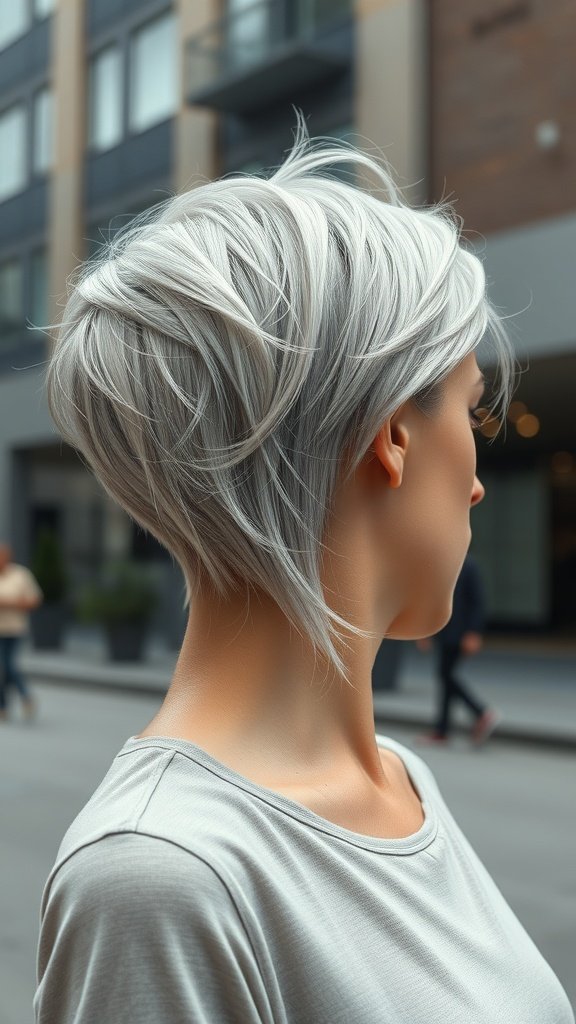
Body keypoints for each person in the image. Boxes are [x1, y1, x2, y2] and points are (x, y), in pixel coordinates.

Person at [33, 118, 575, 1023]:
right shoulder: (159, 876)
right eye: (472, 419)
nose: (480, 484)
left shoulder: (399, 780)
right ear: (393, 433)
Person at [414, 551, 501, 747]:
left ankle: (481, 712)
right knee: (445, 676)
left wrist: (473, 632)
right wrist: (425, 630)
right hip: (445, 632)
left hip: (459, 633)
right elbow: (432, 601)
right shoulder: (440, 566)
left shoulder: (468, 565)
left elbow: (478, 602)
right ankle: (442, 730)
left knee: (445, 675)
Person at [0, 542, 43, 723]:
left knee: (8, 666)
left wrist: (11, 604)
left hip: (14, 629)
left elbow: (35, 600)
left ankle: (25, 697)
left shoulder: (20, 574)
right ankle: (3, 707)